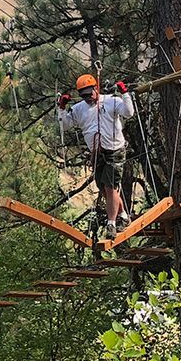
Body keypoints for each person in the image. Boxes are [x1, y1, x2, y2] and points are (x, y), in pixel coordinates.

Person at [58, 73, 134, 239]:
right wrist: (61, 108)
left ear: (96, 88)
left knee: (111, 187)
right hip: (97, 154)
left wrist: (125, 93)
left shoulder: (111, 101)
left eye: (90, 93)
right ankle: (123, 215)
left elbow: (129, 112)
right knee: (104, 188)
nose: (89, 98)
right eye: (84, 96)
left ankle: (111, 223)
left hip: (114, 151)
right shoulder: (79, 109)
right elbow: (64, 126)